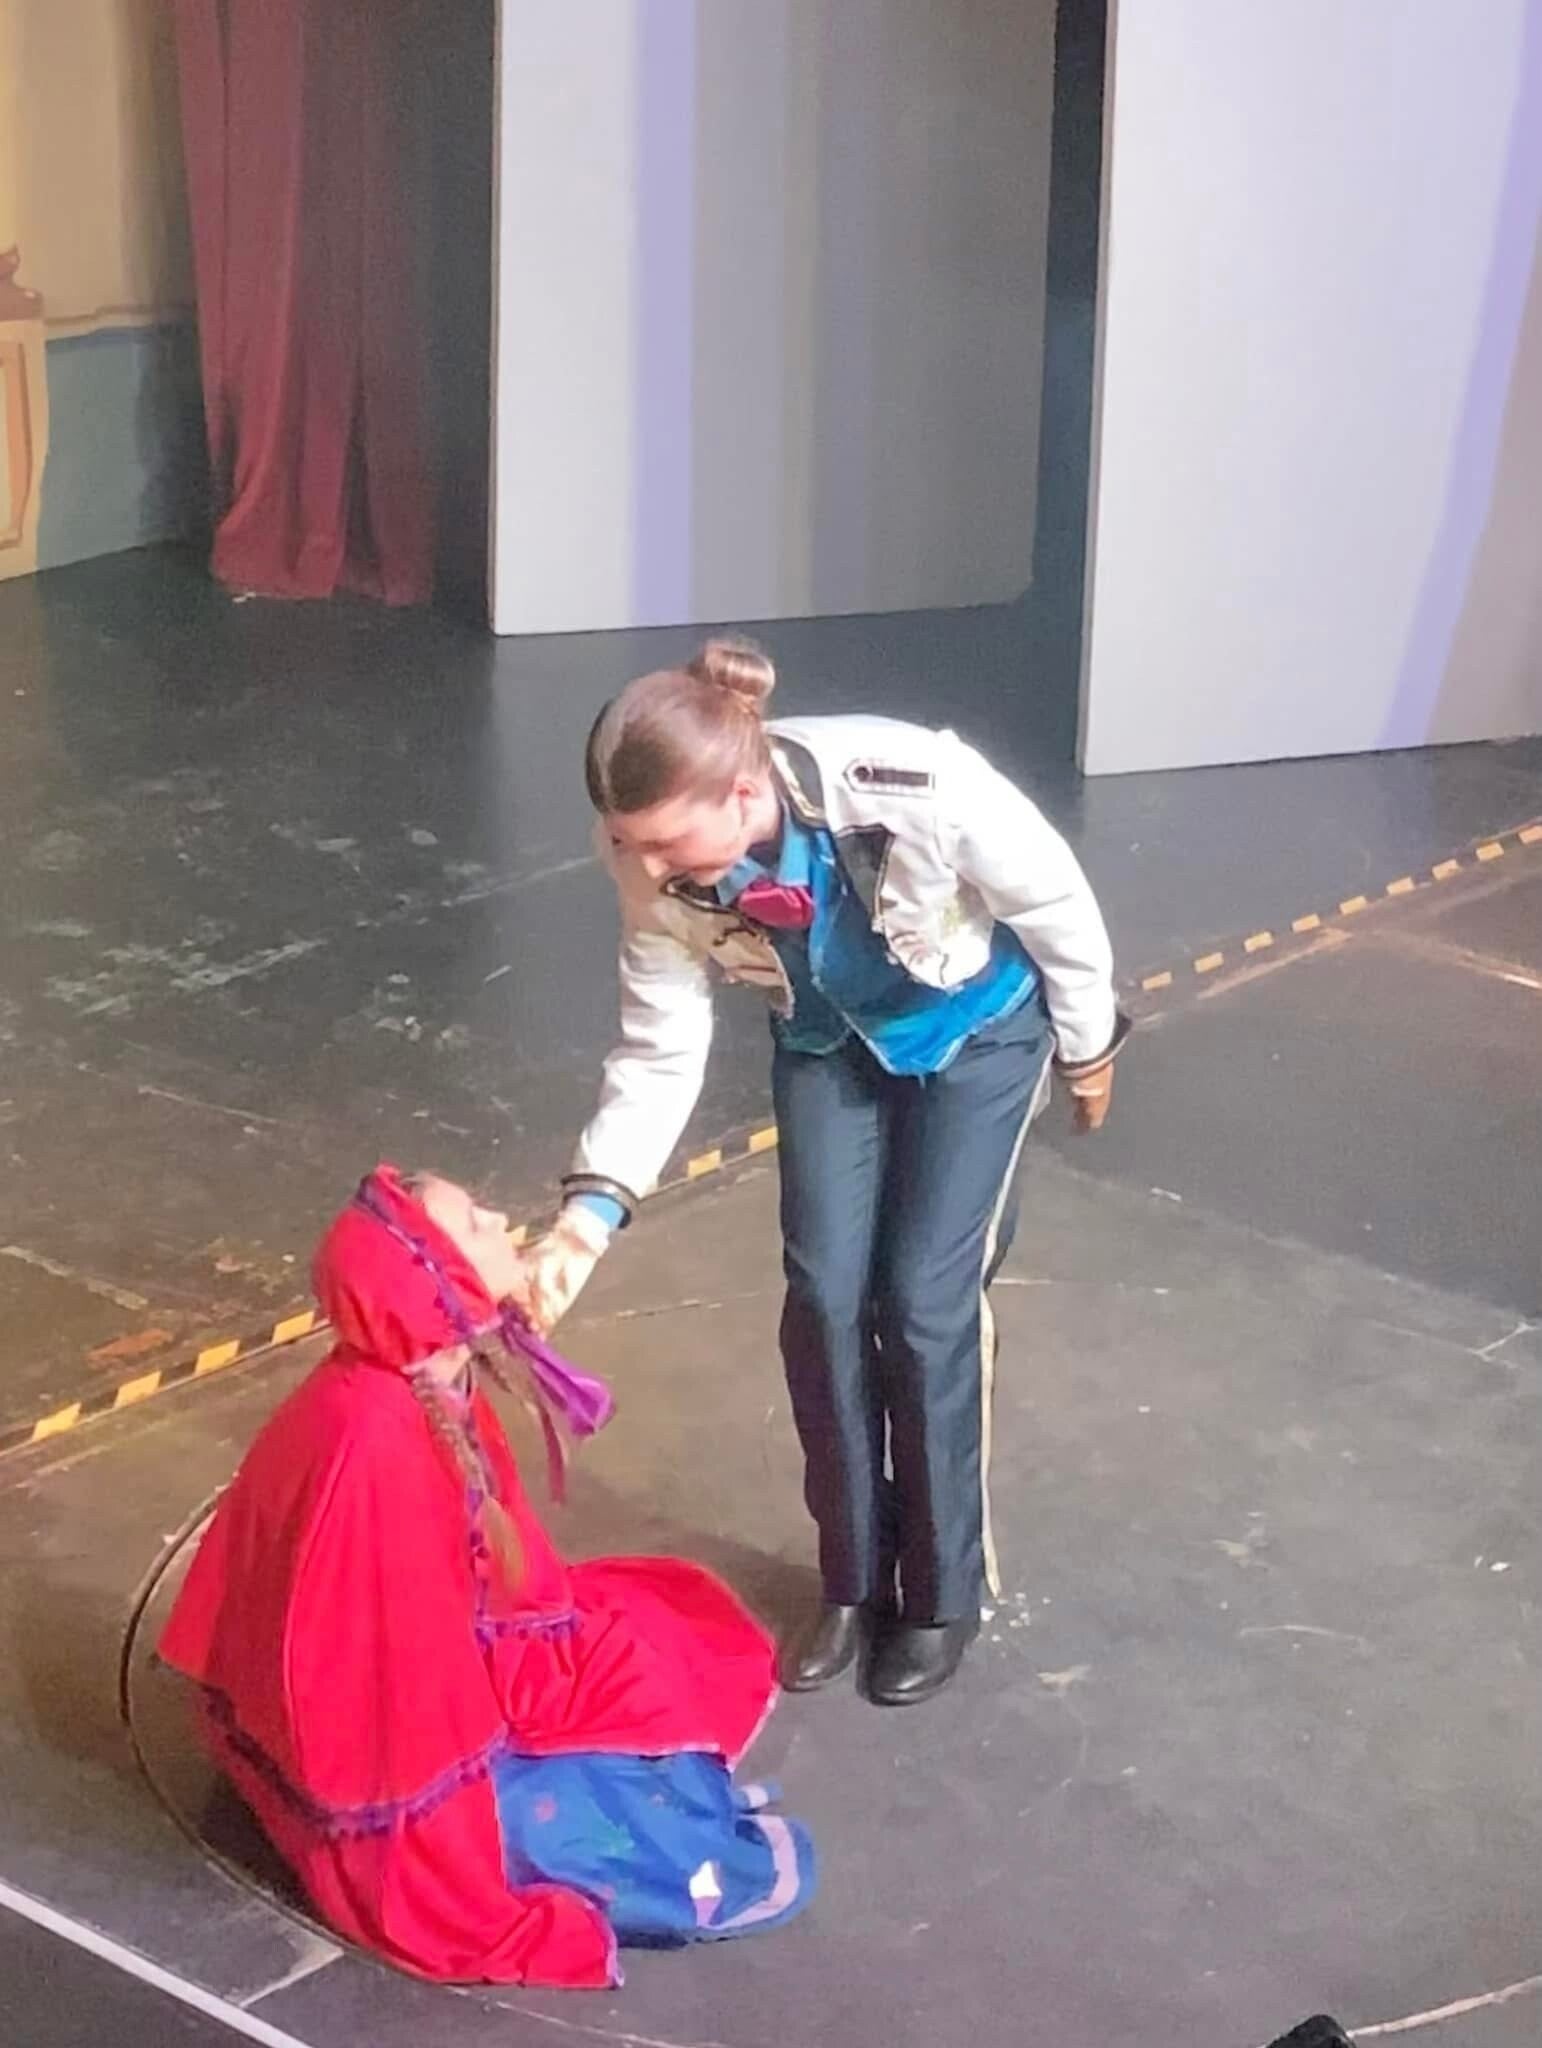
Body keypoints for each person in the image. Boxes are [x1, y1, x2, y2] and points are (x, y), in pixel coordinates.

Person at [524, 640, 1128, 1708]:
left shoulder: (908, 781)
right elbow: (661, 1044)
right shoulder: (645, 853)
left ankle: (939, 1595)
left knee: (926, 1302)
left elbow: (1054, 901)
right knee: (823, 1297)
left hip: (976, 1037)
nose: (647, 869)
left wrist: (1087, 1044)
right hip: (825, 1043)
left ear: (741, 791)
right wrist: (589, 1214)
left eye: (664, 842)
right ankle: (852, 1578)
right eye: (628, 843)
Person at [158, 1164, 814, 1987]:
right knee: (614, 1817)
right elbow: (383, 1680)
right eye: (474, 1221)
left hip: (446, 1661)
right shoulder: (371, 1444)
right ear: (438, 1282)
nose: (501, 1218)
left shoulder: (423, 1374)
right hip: (395, 1738)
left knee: (635, 1663)